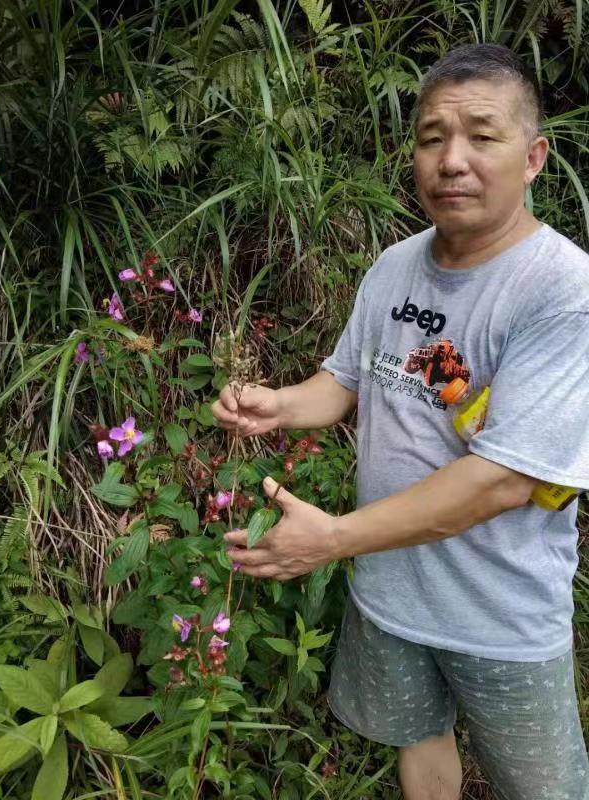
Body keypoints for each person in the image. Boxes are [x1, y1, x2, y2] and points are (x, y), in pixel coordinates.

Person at [212, 43, 589, 800]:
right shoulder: (394, 265)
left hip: (500, 611)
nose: (452, 160)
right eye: (431, 137)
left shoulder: (562, 290)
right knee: (420, 745)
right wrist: (279, 405)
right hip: (390, 591)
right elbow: (344, 382)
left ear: (535, 157)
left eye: (483, 136)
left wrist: (333, 539)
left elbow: (502, 483)